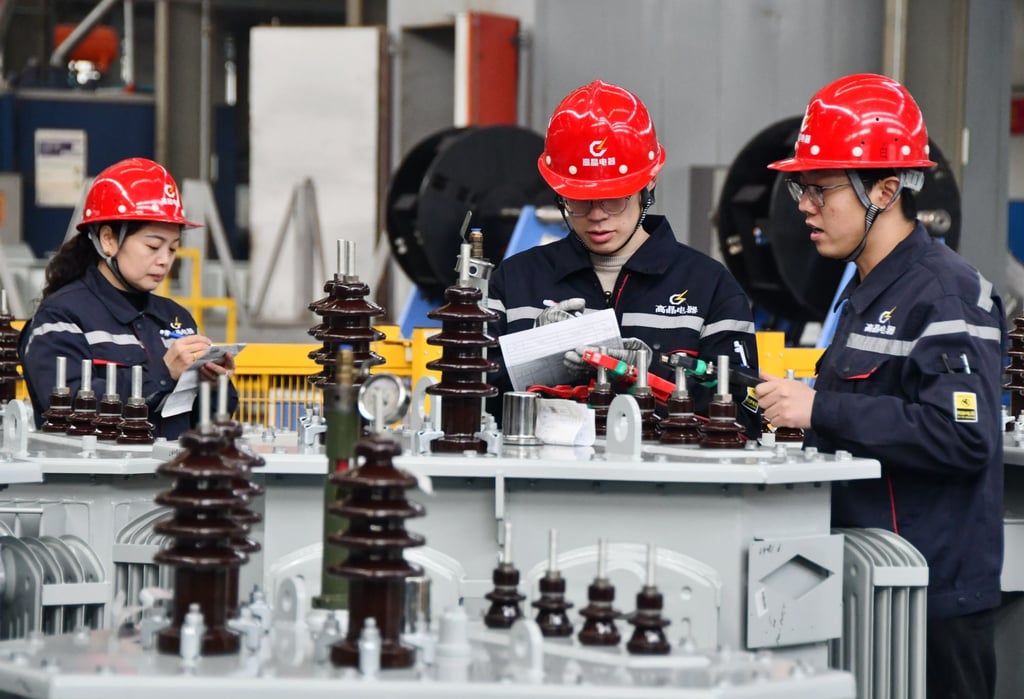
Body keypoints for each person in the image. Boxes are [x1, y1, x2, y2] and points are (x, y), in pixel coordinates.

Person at [753, 74, 1003, 698]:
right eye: (799, 188)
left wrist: (820, 409)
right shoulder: (865, 292)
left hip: (931, 601)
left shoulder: (945, 294)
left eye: (821, 189)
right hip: (869, 581)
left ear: (886, 190)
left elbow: (964, 437)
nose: (804, 206)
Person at [488, 80, 760, 435]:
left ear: (648, 186)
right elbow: (471, 405)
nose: (598, 214)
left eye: (615, 198)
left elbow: (747, 418)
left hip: (670, 485)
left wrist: (647, 373)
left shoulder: (709, 287)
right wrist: (536, 354)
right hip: (541, 482)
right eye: (579, 200)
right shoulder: (515, 281)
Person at [19, 157, 237, 439]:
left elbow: (200, 425)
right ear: (109, 239)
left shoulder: (176, 319)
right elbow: (65, 406)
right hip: (90, 479)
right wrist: (161, 373)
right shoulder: (60, 317)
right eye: (153, 245)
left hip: (168, 474)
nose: (164, 261)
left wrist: (215, 387)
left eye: (172, 249)